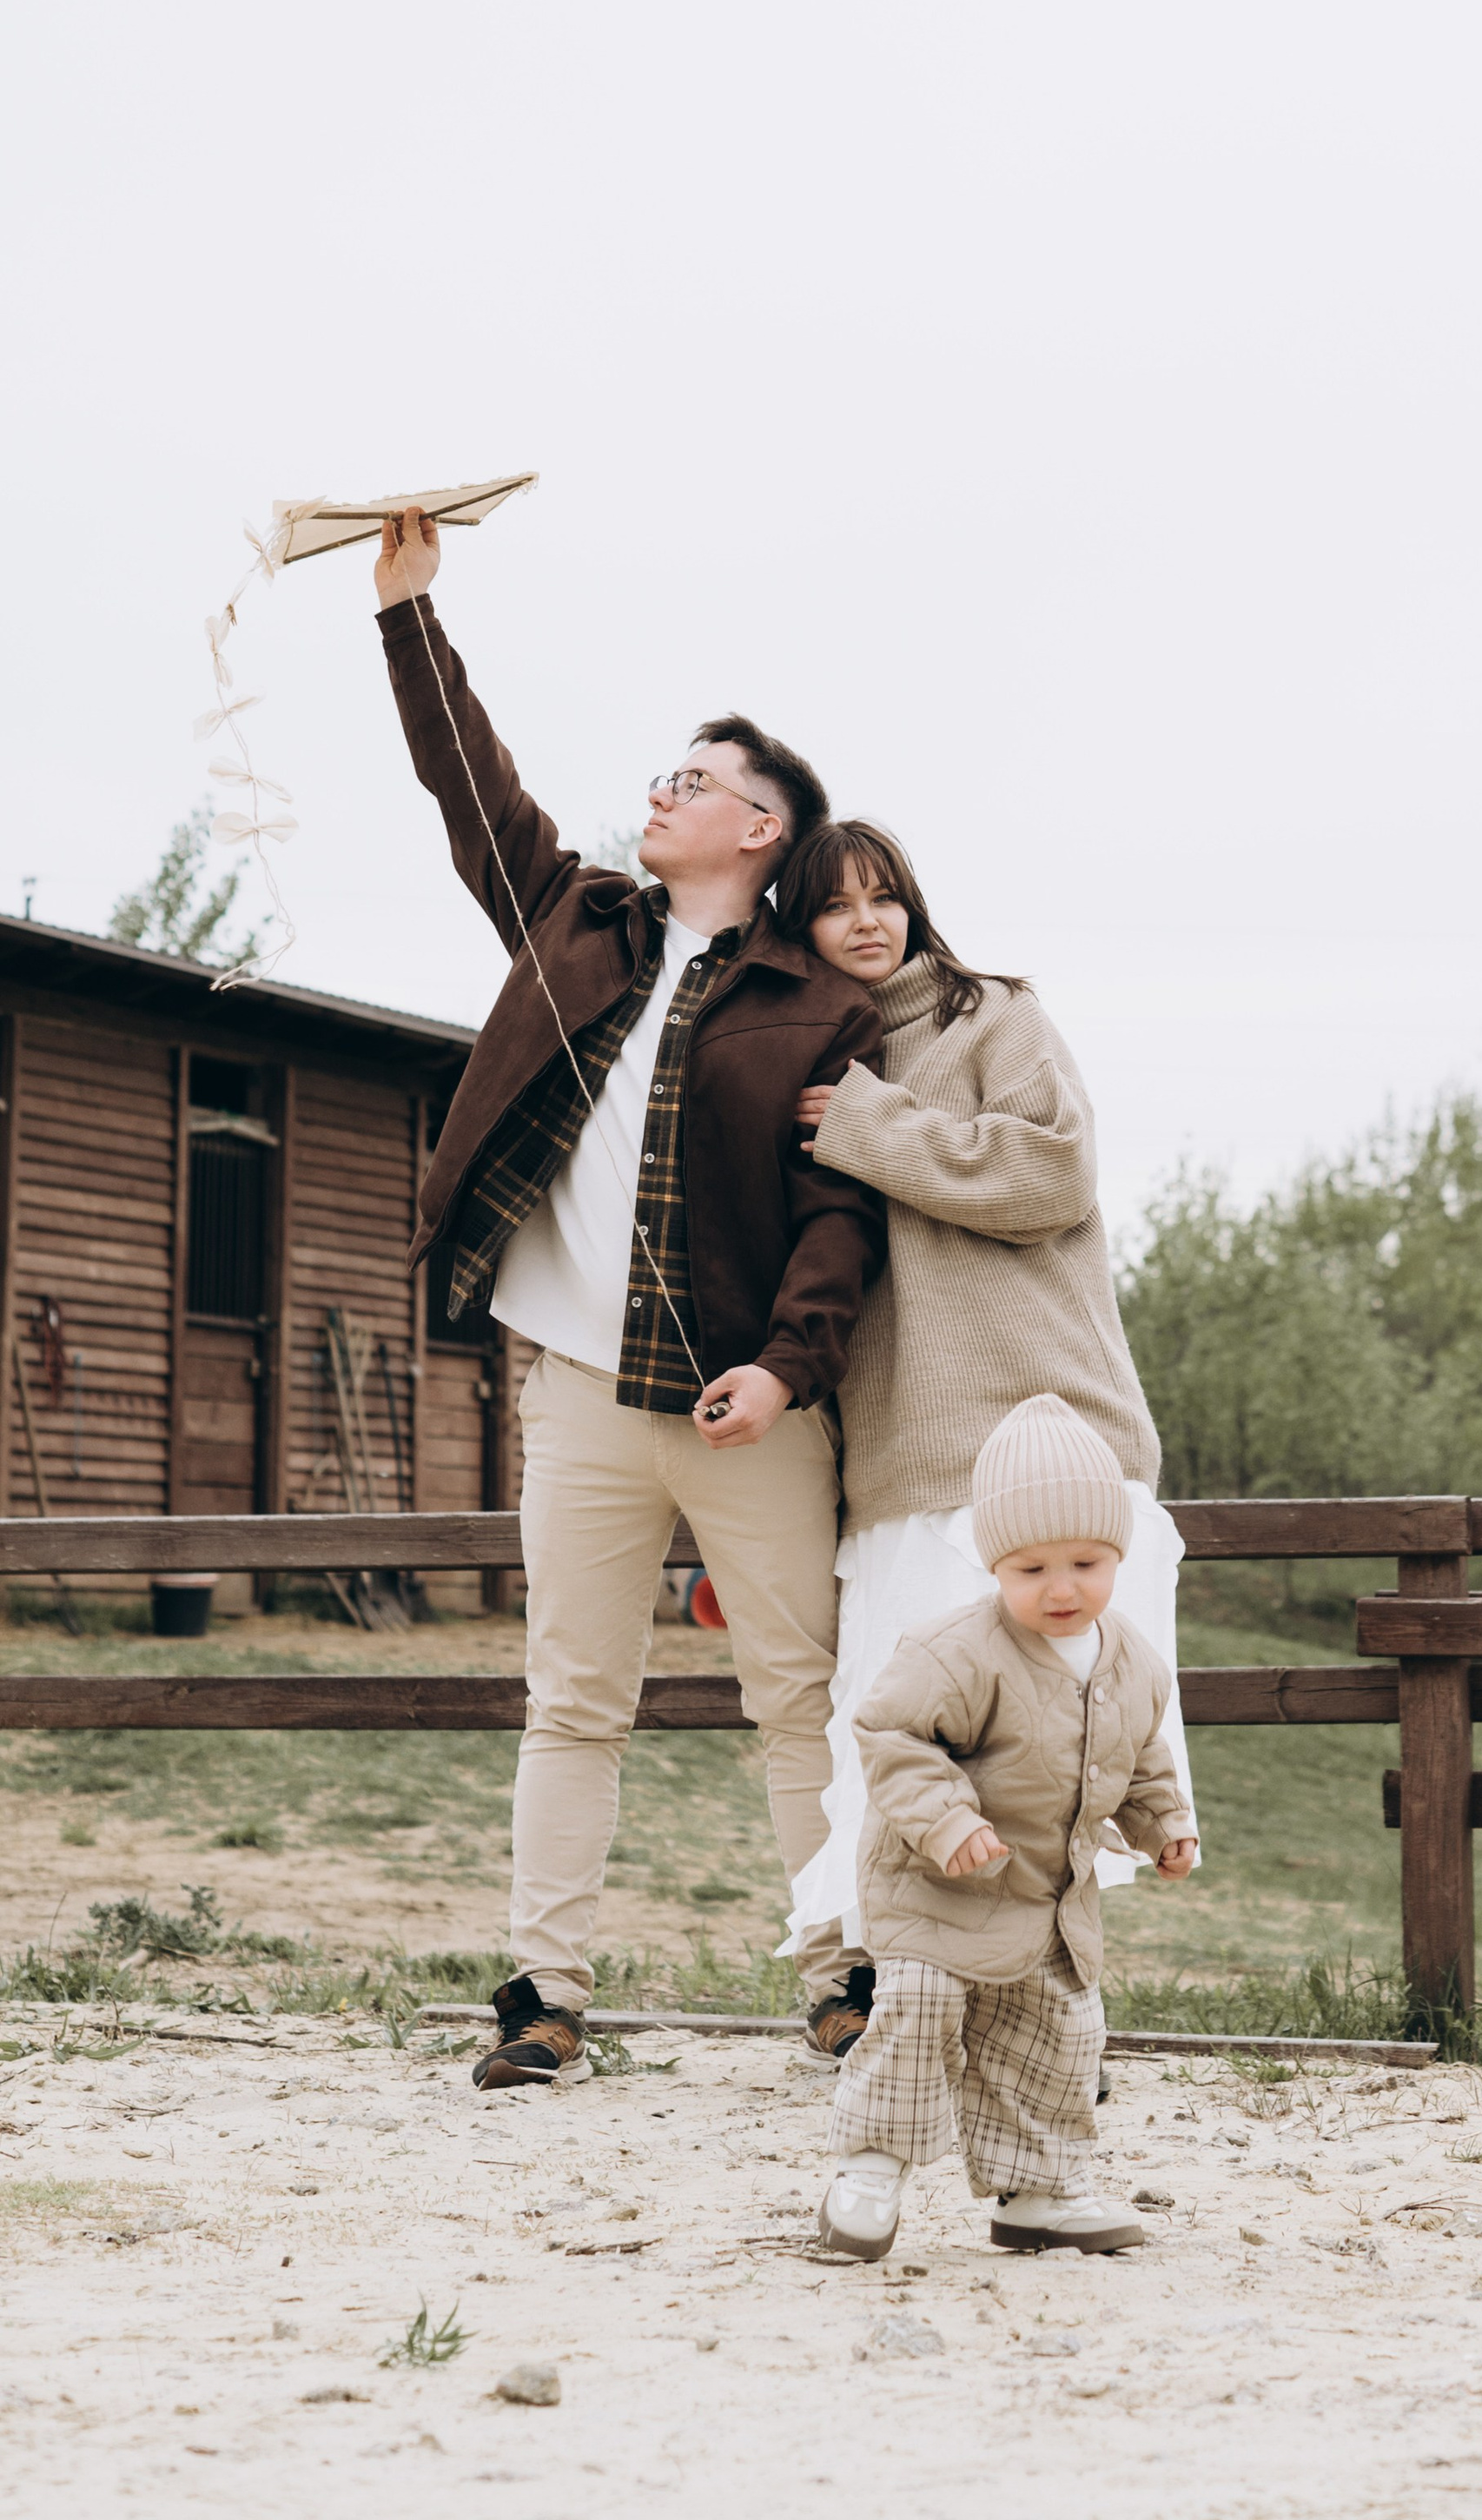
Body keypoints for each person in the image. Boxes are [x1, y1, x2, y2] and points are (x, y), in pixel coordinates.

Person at [371, 507, 886, 2088]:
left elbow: (840, 1211)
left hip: (747, 1410)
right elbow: (473, 789)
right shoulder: (573, 916)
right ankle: (543, 1995)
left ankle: (845, 1975)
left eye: (696, 779)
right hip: (577, 1397)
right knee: (571, 1698)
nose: (659, 791)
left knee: (797, 1697)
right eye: (664, 771)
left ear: (760, 831)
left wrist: (791, 1371)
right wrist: (408, 616)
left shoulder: (821, 1002)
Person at [767, 820, 1194, 2049]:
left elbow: (1052, 1176)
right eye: (833, 906)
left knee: (1060, 1751)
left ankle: (1053, 2022)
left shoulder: (992, 1016)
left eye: (885, 895)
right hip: (901, 1448)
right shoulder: (801, 1050)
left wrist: (864, 1124)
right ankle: (890, 2000)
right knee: (904, 1740)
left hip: (1048, 1420)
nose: (866, 922)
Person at [816, 1396, 1197, 2261]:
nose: (1061, 1587)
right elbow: (890, 1732)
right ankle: (870, 2167)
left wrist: (1163, 1822)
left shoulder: (1131, 1659)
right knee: (916, 2013)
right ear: (994, 1563)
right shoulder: (957, 1649)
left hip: (1045, 1898)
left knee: (1054, 2036)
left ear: (1117, 1552)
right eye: (1030, 1568)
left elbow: (1137, 1757)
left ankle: (1036, 2191)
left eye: (1085, 1562)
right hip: (934, 1883)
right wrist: (946, 1818)